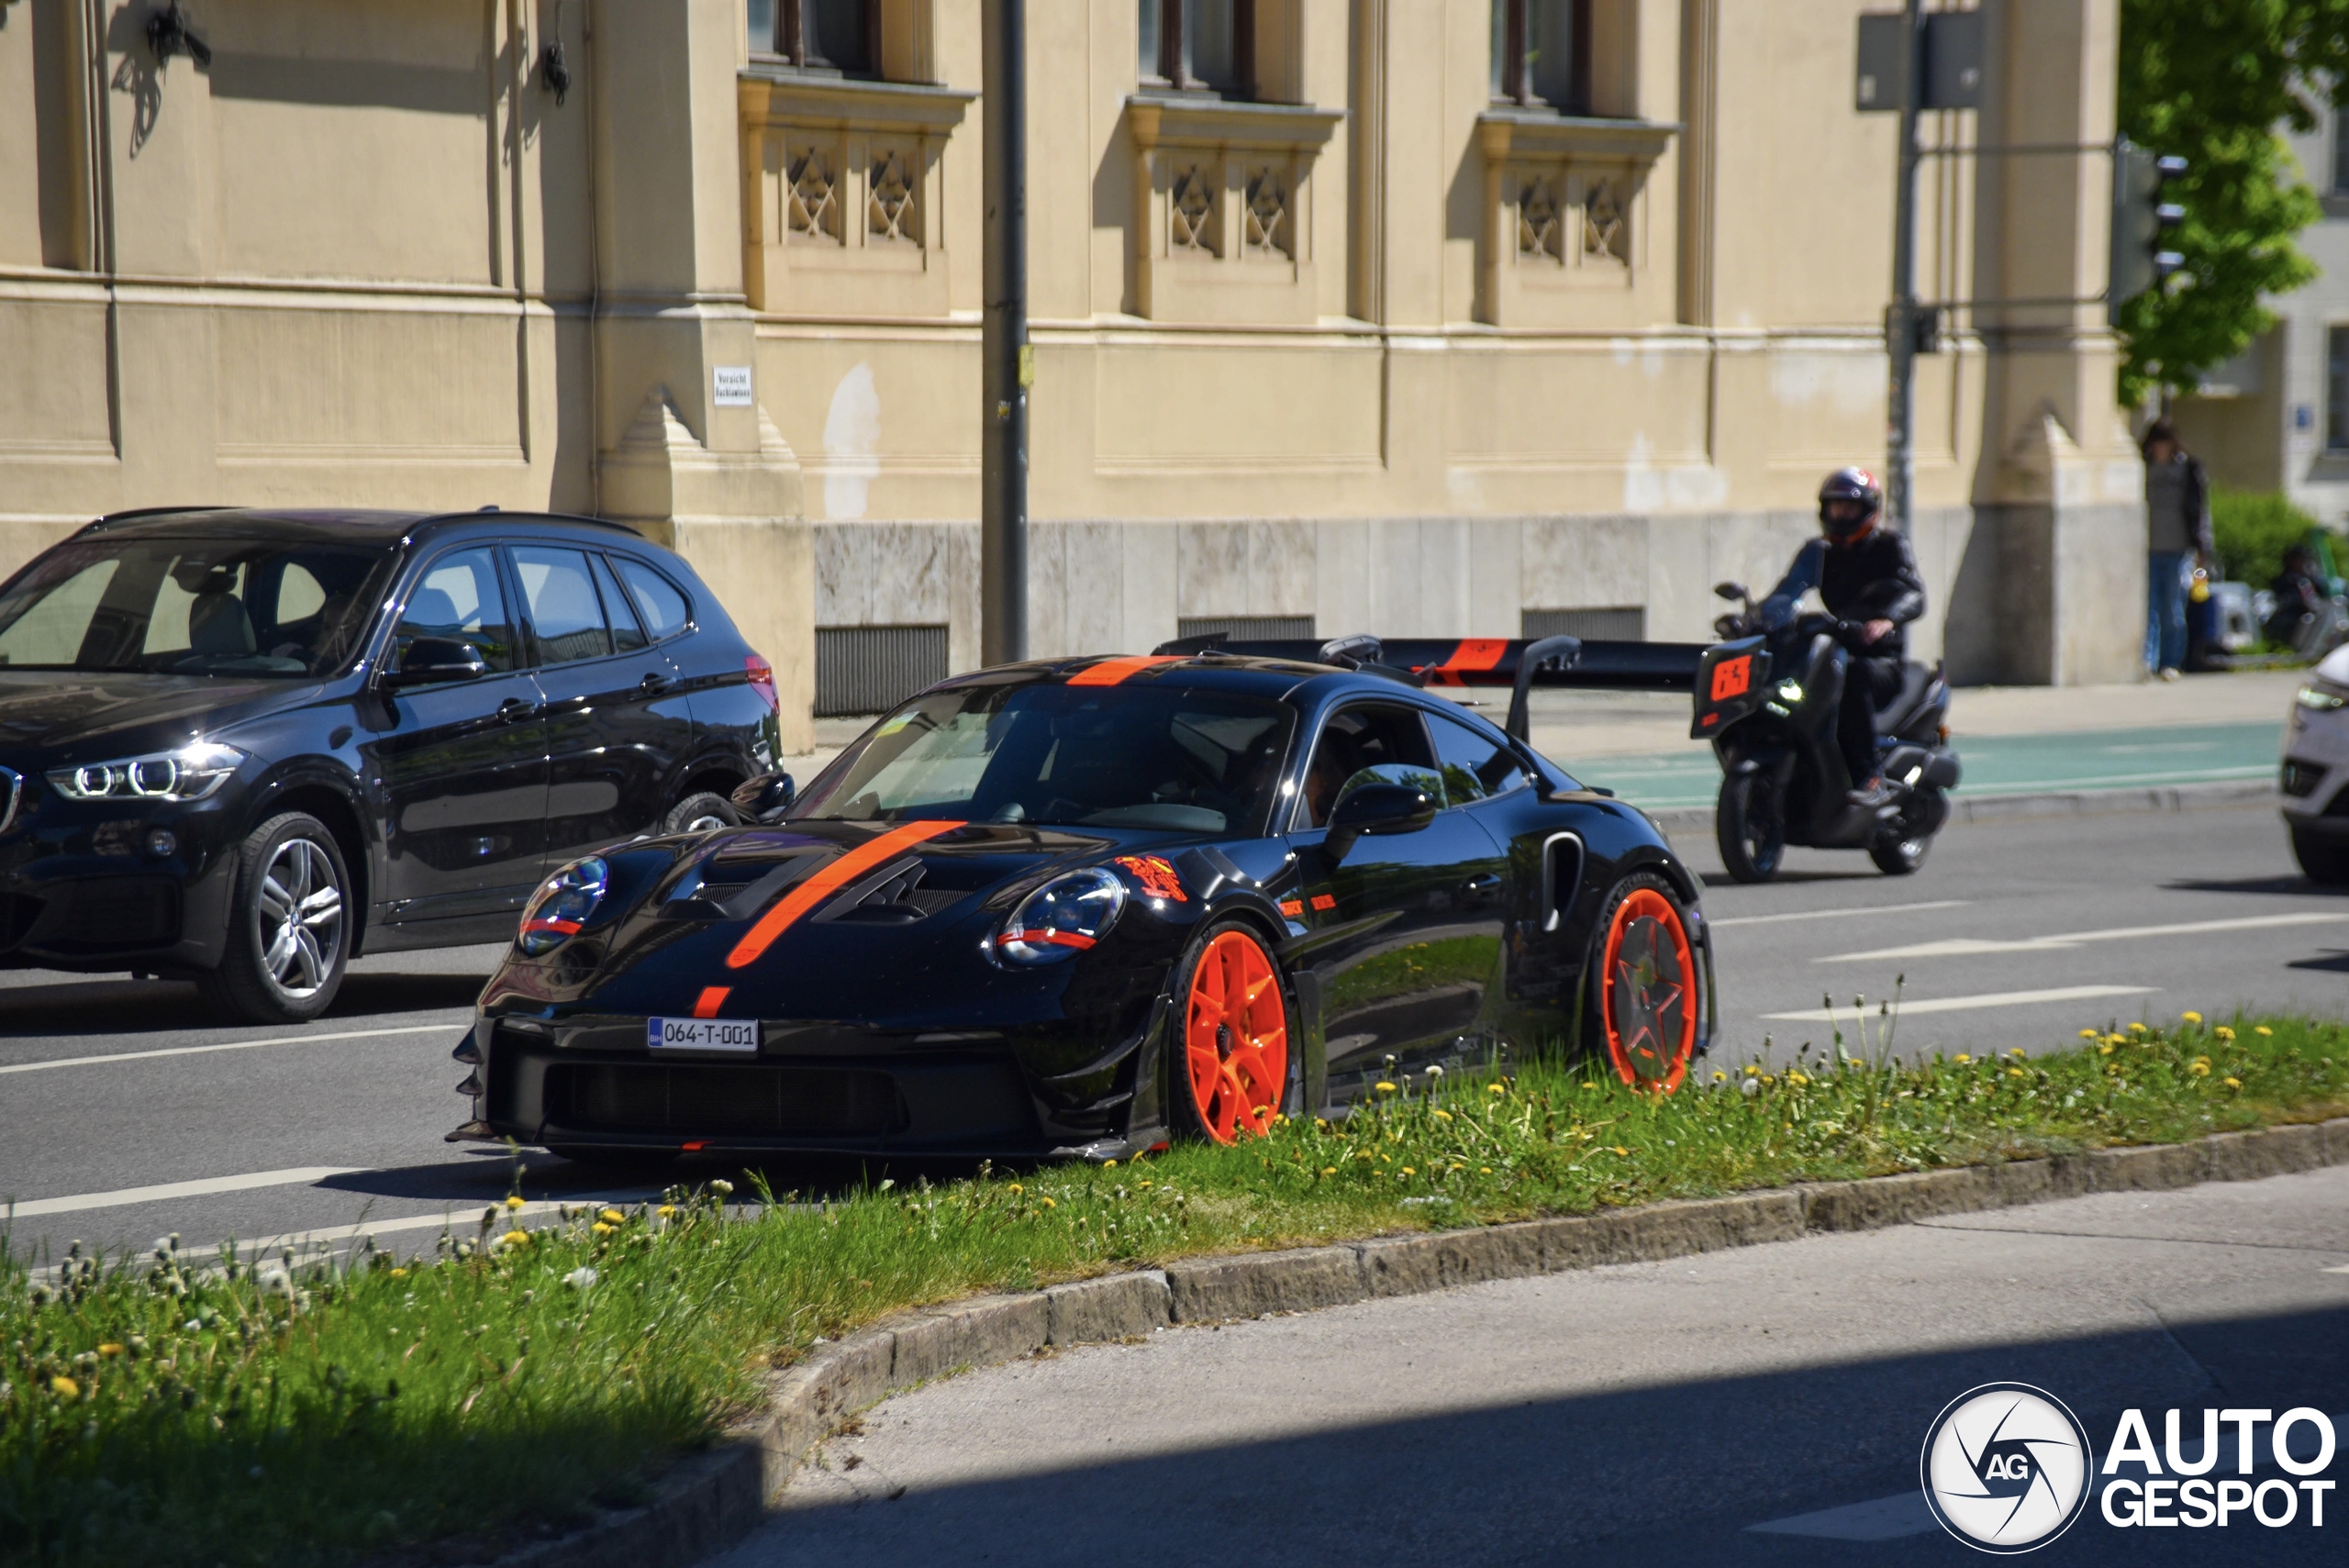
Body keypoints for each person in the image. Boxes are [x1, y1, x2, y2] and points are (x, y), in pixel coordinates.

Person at [1758, 467, 1927, 807]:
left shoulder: (1889, 545)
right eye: (1835, 507)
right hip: (1836, 645)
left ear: (1868, 509)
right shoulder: (1818, 551)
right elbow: (1790, 589)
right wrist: (1762, 619)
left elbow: (1913, 593)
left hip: (1879, 658)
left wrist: (1886, 620)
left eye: (1849, 508)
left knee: (1852, 676)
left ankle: (1871, 776)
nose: (1841, 515)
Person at [2140, 418, 2213, 680]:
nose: (2160, 448)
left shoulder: (2188, 469)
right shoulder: (2142, 469)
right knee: (2148, 609)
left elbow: (2200, 510)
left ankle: (2170, 663)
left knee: (2172, 609)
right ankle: (2147, 662)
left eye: (2165, 442)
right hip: (2146, 549)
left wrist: (2203, 549)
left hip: (2178, 549)